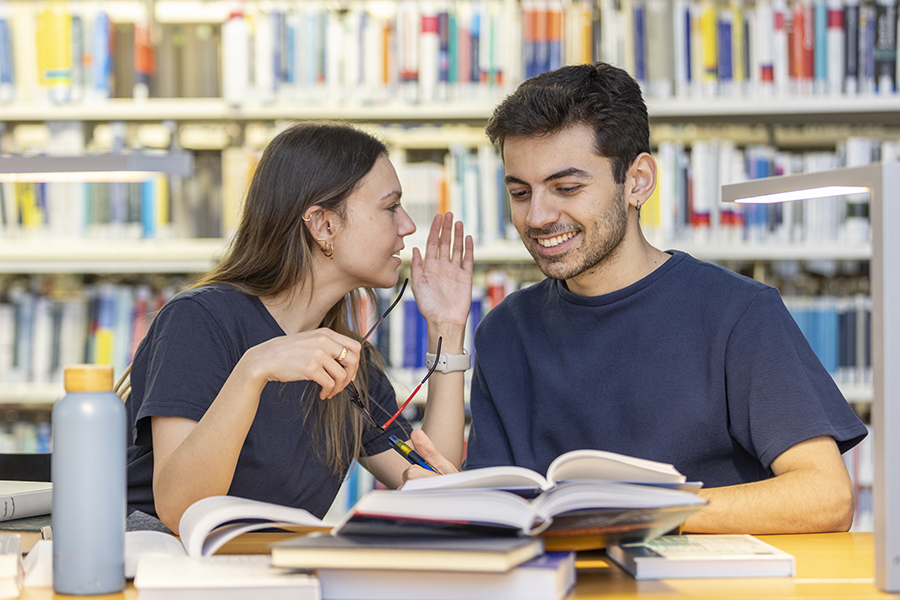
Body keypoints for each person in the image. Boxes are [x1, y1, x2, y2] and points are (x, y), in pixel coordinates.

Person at [409, 62, 868, 535]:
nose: (538, 216)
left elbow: (825, 497)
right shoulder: (505, 331)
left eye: (567, 188)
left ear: (638, 181)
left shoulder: (739, 313)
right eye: (521, 192)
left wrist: (635, 512)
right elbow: (499, 506)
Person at [125, 122, 473, 534]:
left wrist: (448, 329)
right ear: (323, 225)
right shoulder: (199, 320)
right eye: (390, 207)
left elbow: (433, 478)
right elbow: (181, 507)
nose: (407, 226)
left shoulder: (346, 362)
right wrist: (254, 370)